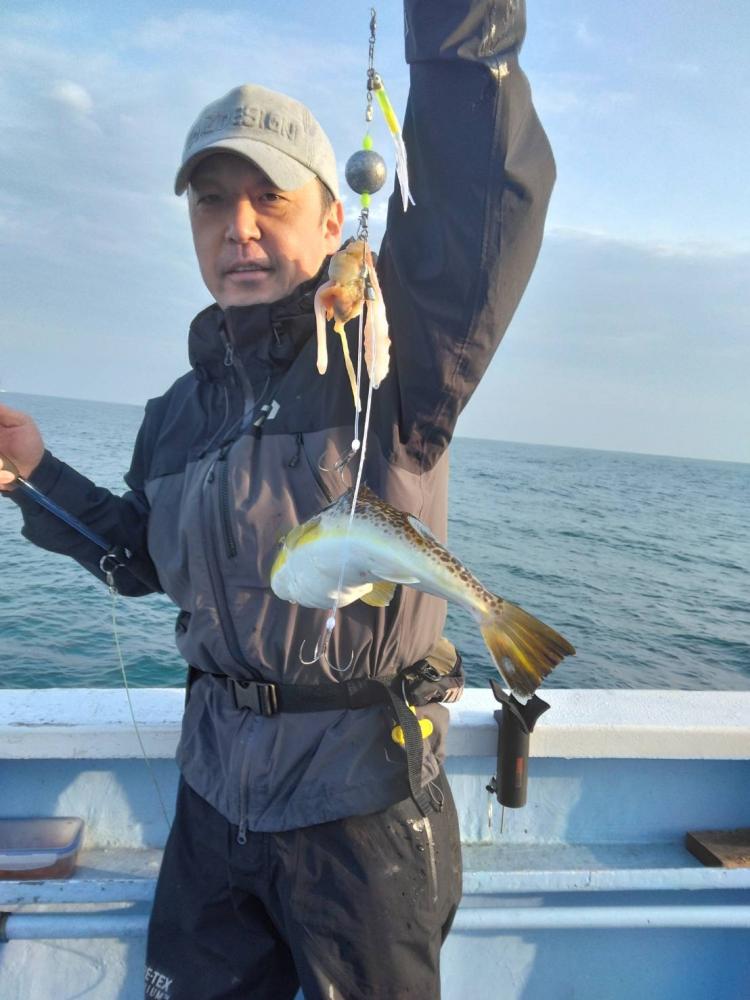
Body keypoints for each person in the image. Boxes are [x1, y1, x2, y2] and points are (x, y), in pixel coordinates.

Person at [0, 2, 554, 997]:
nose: (239, 228)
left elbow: (478, 196)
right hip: (213, 804)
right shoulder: (178, 413)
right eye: (212, 202)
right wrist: (34, 473)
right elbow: (142, 561)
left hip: (362, 811)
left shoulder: (396, 362)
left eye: (270, 198)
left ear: (333, 219)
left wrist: (459, 25)